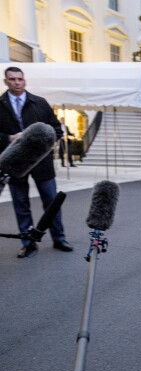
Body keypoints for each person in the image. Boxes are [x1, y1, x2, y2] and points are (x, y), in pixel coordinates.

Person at [0, 66, 73, 258]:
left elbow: (57, 130)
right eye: (12, 79)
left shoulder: (40, 103)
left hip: (42, 161)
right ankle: (28, 243)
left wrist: (43, 144)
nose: (17, 82)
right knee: (21, 204)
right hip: (15, 163)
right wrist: (8, 138)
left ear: (25, 81)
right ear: (5, 81)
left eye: (20, 79)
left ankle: (59, 238)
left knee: (51, 202)